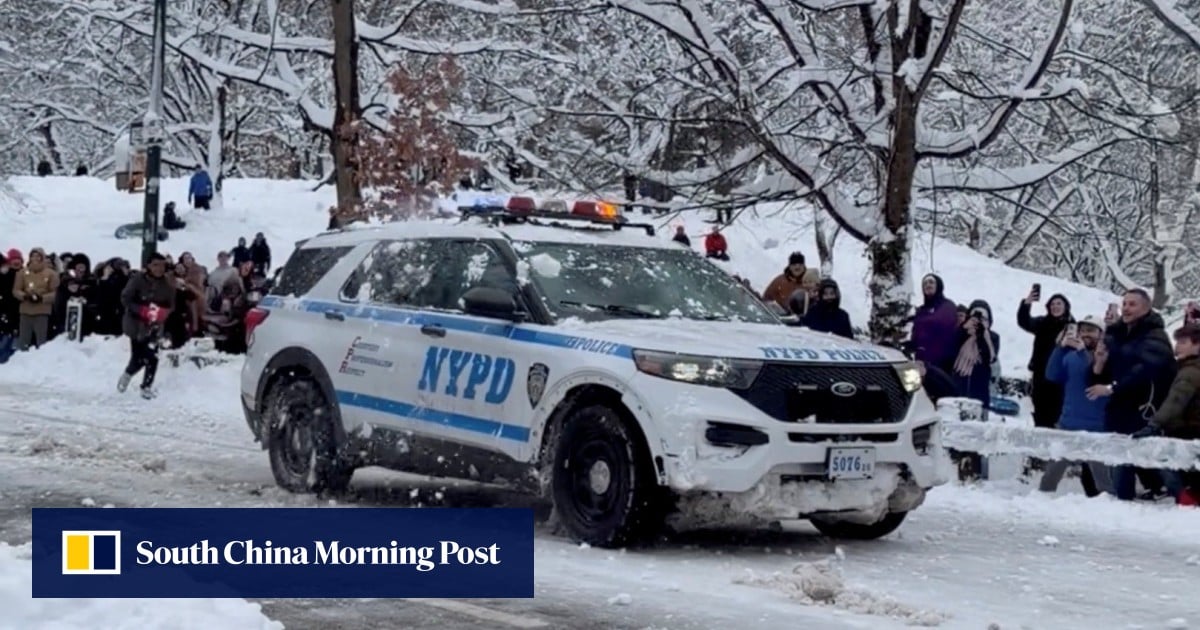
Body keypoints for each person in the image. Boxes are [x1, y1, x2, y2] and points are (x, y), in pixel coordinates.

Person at [1086, 288, 1176, 501]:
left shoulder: (1156, 335)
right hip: (1118, 410)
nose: (1126, 308)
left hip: (1144, 410)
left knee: (1149, 460)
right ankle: (1125, 501)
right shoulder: (1116, 335)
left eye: (1132, 304)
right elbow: (1101, 375)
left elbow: (1145, 369)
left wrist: (1112, 388)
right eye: (1124, 303)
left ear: (1146, 308)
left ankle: (1174, 497)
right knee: (1120, 461)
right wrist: (1098, 363)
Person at [1040, 316, 1111, 495]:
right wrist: (1059, 348)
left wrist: (1082, 352)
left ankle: (1111, 513)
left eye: (1091, 330)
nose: (1086, 334)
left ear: (1101, 334)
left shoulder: (1106, 357)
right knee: (1050, 477)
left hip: (1097, 428)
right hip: (1068, 424)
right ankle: (1040, 505)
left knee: (1104, 482)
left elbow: (1092, 374)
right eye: (1083, 330)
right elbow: (1051, 375)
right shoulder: (1070, 356)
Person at [1131, 323, 1200, 504]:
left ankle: (1187, 504)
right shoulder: (1187, 368)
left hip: (1187, 429)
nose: (1178, 346)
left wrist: (1155, 424)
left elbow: (1176, 401)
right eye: (1178, 341)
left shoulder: (1190, 372)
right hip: (1190, 428)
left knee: (1173, 468)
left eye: (1183, 342)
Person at [118, 253, 176, 399]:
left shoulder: (167, 283)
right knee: (138, 356)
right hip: (136, 324)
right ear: (149, 266)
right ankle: (128, 374)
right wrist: (141, 310)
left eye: (162, 265)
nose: (159, 268)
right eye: (156, 265)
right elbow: (126, 298)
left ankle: (146, 386)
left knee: (152, 356)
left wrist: (164, 312)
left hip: (155, 324)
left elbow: (171, 304)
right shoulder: (138, 279)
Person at [1018, 290, 1074, 429]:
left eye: (1059, 303)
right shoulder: (1042, 322)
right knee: (1040, 411)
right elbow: (1024, 322)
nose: (1055, 306)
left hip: (1060, 377)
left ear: (1066, 306)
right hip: (1040, 374)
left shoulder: (1072, 326)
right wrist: (1026, 304)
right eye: (1052, 304)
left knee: (1057, 412)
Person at [951, 300, 1000, 404]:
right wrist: (964, 329)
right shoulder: (961, 332)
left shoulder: (993, 337)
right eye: (976, 318)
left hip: (980, 389)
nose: (979, 321)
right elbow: (950, 349)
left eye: (983, 319)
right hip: (959, 385)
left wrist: (983, 336)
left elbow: (990, 358)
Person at [12, 247, 58, 350]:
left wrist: (42, 298)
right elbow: (16, 290)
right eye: (33, 256)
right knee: (23, 341)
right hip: (25, 310)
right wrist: (24, 296)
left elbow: (56, 293)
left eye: (38, 256)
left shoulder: (51, 274)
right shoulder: (22, 273)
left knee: (42, 342)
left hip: (42, 311)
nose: (35, 258)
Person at [910, 274, 960, 371]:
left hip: (944, 363)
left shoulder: (947, 305)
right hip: (923, 364)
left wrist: (920, 320)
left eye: (931, 282)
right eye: (925, 284)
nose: (928, 285)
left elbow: (940, 321)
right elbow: (917, 335)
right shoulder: (921, 310)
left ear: (939, 286)